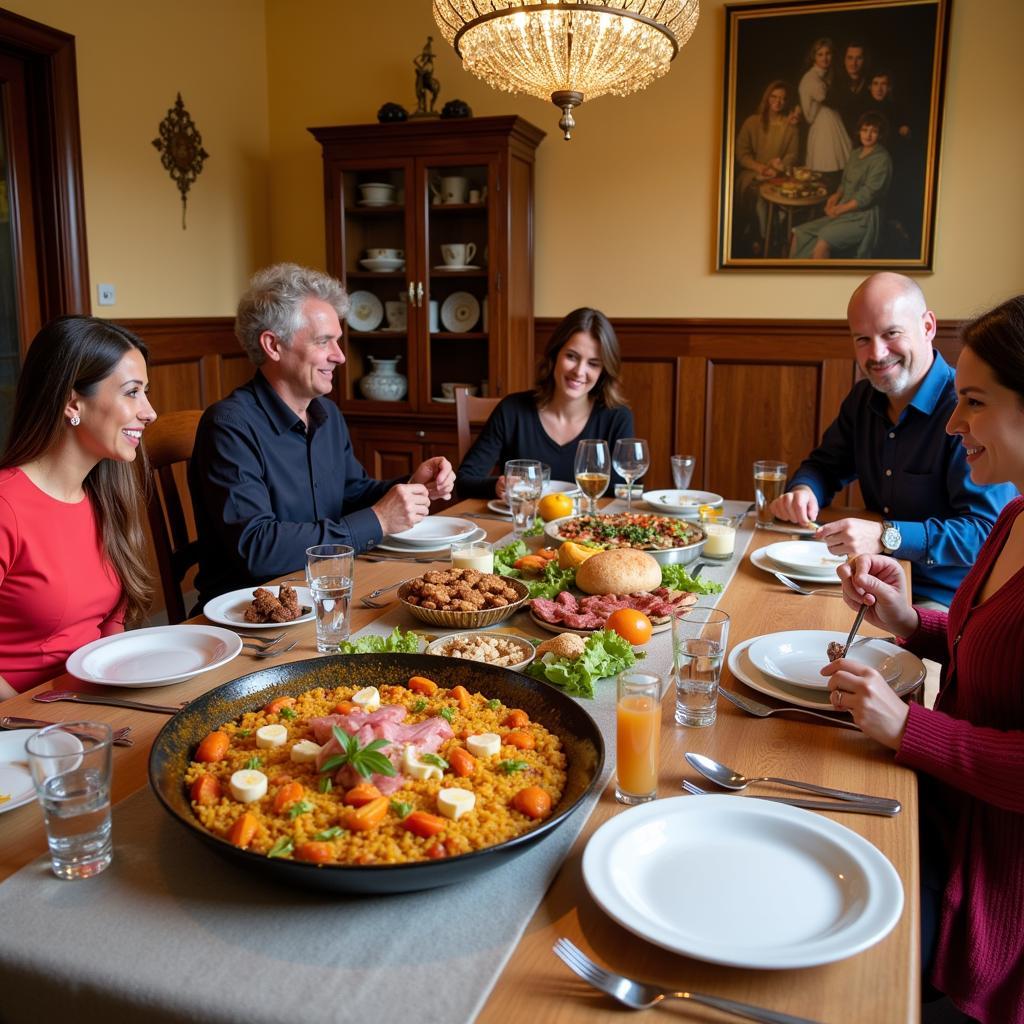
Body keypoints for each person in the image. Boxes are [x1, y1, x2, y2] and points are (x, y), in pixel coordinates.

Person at [822, 294, 1024, 1023]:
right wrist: (910, 620)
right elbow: (983, 645)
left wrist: (909, 729)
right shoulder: (1014, 515)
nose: (956, 422)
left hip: (991, 896)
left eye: (973, 401)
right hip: (937, 811)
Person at [189, 263, 454, 605]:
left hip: (326, 593)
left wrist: (409, 487)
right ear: (272, 345)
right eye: (323, 341)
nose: (340, 356)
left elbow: (350, 492)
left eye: (338, 341)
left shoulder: (325, 412)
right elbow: (258, 548)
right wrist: (379, 519)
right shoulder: (228, 426)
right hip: (251, 615)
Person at [768, 273, 1016, 606]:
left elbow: (983, 533)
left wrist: (887, 536)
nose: (877, 353)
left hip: (941, 601)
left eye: (891, 333)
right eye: (862, 339)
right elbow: (825, 465)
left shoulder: (970, 412)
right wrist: (804, 490)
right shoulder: (862, 398)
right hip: (867, 581)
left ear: (928, 326)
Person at [0, 316, 157, 697]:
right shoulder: (7, 507)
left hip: (89, 700)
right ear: (73, 403)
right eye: (132, 392)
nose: (150, 412)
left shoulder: (103, 495)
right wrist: (30, 719)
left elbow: (110, 624)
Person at [456, 308, 634, 499]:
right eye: (571, 356)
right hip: (522, 526)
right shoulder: (512, 410)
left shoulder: (617, 418)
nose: (579, 371)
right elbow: (465, 481)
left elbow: (627, 493)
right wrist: (497, 486)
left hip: (588, 527)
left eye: (593, 363)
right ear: (555, 354)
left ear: (604, 371)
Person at [789, 110, 892, 260]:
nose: (868, 135)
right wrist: (835, 197)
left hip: (864, 218)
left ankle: (821, 283)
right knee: (800, 233)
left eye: (874, 131)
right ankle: (794, 279)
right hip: (845, 211)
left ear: (880, 134)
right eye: (864, 130)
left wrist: (841, 209)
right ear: (859, 131)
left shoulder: (882, 159)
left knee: (824, 239)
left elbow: (868, 195)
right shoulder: (855, 153)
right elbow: (844, 183)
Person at [733, 80, 800, 254]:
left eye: (783, 99)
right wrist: (762, 168)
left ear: (787, 102)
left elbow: (792, 155)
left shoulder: (790, 126)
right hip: (753, 173)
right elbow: (741, 154)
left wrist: (779, 167)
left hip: (779, 174)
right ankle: (765, 238)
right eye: (774, 97)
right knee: (761, 197)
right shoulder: (752, 122)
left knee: (784, 200)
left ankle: (771, 238)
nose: (778, 102)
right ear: (767, 98)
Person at [797, 37, 851, 183]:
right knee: (827, 170)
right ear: (813, 56)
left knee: (839, 171)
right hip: (822, 124)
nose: (825, 58)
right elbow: (833, 101)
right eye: (820, 54)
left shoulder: (827, 75)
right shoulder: (812, 78)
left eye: (828, 54)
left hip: (829, 119)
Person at [831, 41, 871, 141]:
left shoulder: (871, 83)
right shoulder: (834, 83)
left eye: (859, 58)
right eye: (850, 58)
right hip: (838, 139)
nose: (854, 63)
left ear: (864, 60)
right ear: (844, 60)